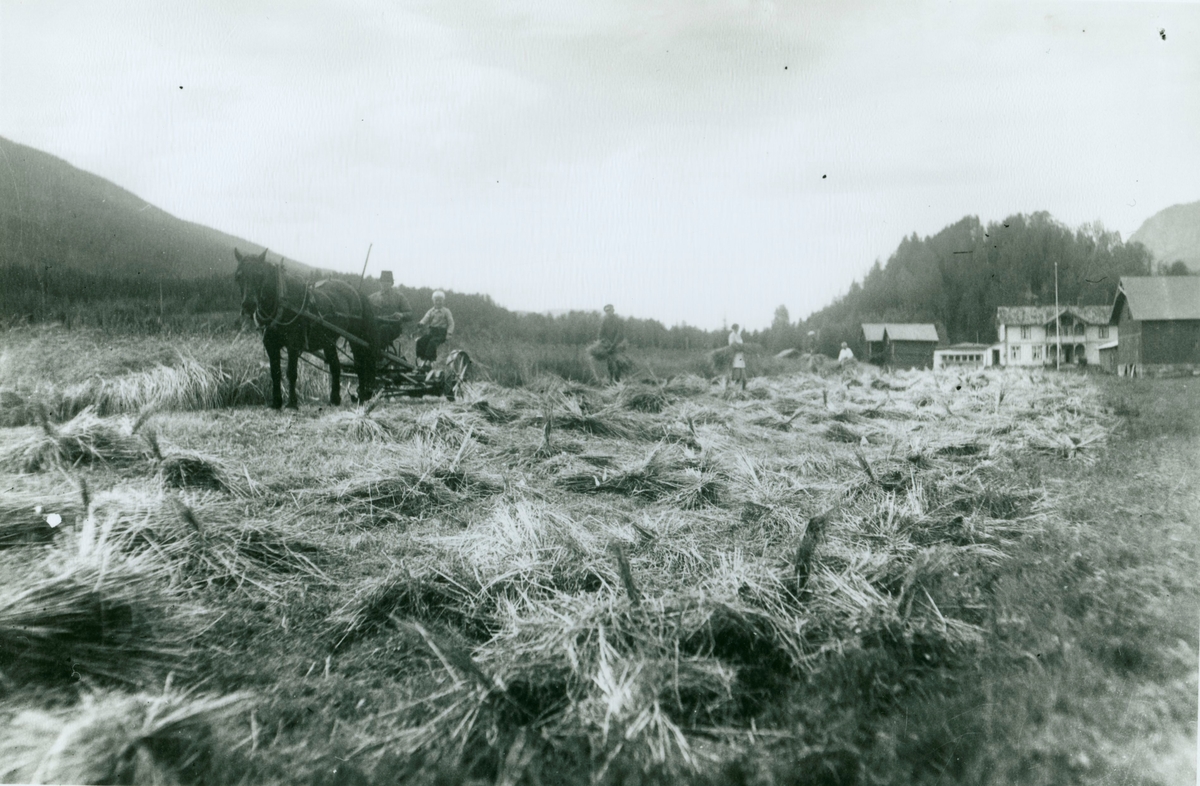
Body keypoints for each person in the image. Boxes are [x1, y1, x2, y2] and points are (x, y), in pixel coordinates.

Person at [368, 271, 412, 355]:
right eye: (383, 281)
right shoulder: (371, 298)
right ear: (380, 283)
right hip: (374, 325)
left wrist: (402, 315)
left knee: (383, 329)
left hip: (392, 327)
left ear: (391, 283)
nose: (385, 284)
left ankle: (377, 354)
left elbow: (410, 314)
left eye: (387, 282)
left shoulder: (399, 297)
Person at [415, 290, 454, 368]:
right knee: (421, 341)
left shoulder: (446, 311)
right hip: (432, 332)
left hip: (441, 333)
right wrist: (421, 323)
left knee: (432, 343)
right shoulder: (431, 311)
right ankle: (422, 359)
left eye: (440, 301)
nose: (438, 302)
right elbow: (425, 318)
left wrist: (449, 333)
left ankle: (428, 361)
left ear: (443, 301)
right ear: (433, 301)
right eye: (436, 300)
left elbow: (451, 323)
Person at [590, 303, 628, 383]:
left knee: (618, 363)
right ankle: (611, 380)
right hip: (608, 345)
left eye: (610, 310)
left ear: (613, 311)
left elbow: (619, 334)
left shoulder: (618, 320)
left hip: (618, 345)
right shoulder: (605, 321)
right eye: (607, 311)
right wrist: (604, 342)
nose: (608, 312)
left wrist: (613, 345)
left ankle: (617, 380)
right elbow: (601, 334)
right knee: (610, 364)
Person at [728, 323, 746, 390]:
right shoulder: (732, 335)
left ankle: (742, 389)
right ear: (734, 328)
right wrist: (739, 347)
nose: (738, 329)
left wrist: (742, 348)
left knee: (742, 373)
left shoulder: (738, 335)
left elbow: (741, 344)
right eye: (737, 328)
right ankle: (735, 389)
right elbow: (732, 345)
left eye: (738, 328)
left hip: (740, 356)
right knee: (737, 373)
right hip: (735, 356)